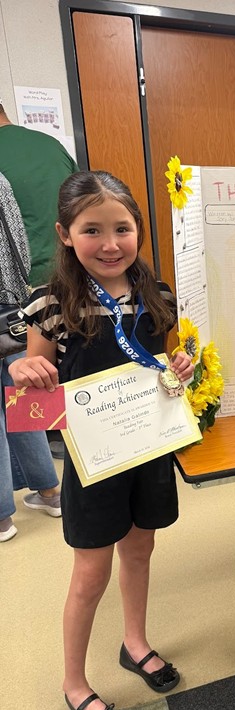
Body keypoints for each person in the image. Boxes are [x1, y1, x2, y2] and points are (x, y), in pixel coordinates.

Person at [9, 171, 193, 710]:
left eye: (122, 228)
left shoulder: (158, 295)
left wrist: (181, 369)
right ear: (65, 234)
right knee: (90, 574)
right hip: (93, 462)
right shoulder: (52, 304)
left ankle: (134, 643)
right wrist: (25, 372)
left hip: (149, 451)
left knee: (140, 550)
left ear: (139, 230)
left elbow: (167, 368)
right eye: (92, 230)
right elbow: (36, 400)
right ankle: (74, 683)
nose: (110, 244)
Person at [0, 99, 79, 459]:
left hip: (19, 290)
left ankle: (46, 467)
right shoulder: (50, 145)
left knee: (27, 380)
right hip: (70, 277)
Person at [0, 172, 61, 543]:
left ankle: (2, 519)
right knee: (23, 399)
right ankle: (50, 492)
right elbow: (18, 241)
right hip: (10, 311)